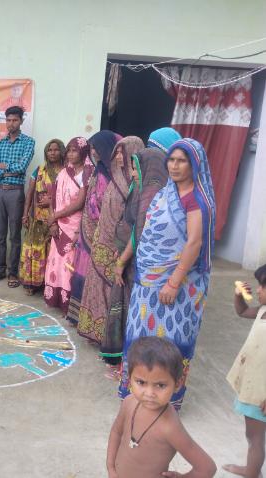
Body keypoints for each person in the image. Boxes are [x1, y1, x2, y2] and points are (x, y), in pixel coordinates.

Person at [118, 138, 216, 410]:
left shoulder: (196, 200)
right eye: (171, 160)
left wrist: (173, 283)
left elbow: (194, 243)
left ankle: (165, 400)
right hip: (147, 284)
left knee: (169, 342)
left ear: (195, 164)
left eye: (181, 161)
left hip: (176, 287)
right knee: (141, 337)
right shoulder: (167, 192)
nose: (174, 166)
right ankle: (138, 392)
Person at [103, 128, 180, 369]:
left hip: (143, 265)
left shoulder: (153, 193)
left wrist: (122, 261)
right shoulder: (146, 187)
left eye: (136, 167)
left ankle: (135, 364)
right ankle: (127, 359)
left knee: (140, 315)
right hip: (132, 259)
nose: (134, 172)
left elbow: (140, 228)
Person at [107, 336, 217, 478]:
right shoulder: (129, 402)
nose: (149, 393)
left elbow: (207, 468)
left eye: (160, 385)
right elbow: (116, 432)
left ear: (177, 384)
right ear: (129, 379)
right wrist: (110, 467)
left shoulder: (169, 427)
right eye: (141, 382)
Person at [77, 136, 144, 345]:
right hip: (101, 243)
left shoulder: (137, 184)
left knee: (115, 291)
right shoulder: (114, 178)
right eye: (117, 152)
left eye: (123, 152)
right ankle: (94, 332)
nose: (119, 157)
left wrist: (121, 245)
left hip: (119, 247)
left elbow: (132, 219)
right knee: (96, 287)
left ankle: (109, 337)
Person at [65, 130, 120, 325]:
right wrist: (80, 231)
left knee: (96, 278)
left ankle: (95, 320)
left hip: (104, 237)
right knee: (82, 273)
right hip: (87, 234)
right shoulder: (98, 171)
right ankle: (78, 316)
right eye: (92, 148)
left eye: (97, 148)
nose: (94, 152)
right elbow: (89, 203)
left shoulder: (117, 178)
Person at [223, 265, 266, 478]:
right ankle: (251, 469)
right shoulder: (262, 311)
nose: (258, 290)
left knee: (255, 439)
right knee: (253, 436)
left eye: (263, 287)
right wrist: (238, 296)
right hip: (253, 383)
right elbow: (241, 311)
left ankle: (252, 473)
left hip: (261, 393)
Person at [0, 106, 35, 288]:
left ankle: (13, 273)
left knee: (14, 235)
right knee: (0, 234)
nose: (11, 123)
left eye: (14, 120)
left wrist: (3, 167)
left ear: (21, 121)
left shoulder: (28, 142)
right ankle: (0, 270)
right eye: (8, 120)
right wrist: (8, 169)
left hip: (15, 192)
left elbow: (22, 167)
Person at [43, 137, 93, 311]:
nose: (71, 154)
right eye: (69, 151)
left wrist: (55, 216)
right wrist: (53, 222)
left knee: (70, 266)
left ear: (83, 152)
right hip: (59, 225)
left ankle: (69, 304)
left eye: (75, 151)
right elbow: (53, 198)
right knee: (56, 263)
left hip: (76, 227)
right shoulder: (64, 173)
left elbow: (80, 203)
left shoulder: (88, 173)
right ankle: (56, 299)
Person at [19, 139, 64, 295]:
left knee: (52, 253)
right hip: (37, 221)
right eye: (49, 150)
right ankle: (32, 284)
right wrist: (25, 214)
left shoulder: (66, 172)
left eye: (56, 150)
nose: (52, 153)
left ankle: (49, 284)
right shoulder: (39, 170)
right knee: (35, 252)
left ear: (61, 151)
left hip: (57, 219)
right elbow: (30, 193)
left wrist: (51, 201)